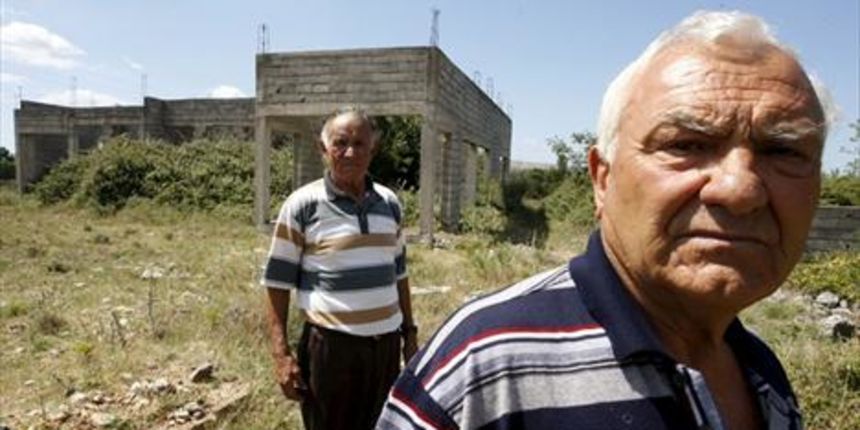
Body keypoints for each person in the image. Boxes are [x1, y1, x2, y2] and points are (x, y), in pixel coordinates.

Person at [377, 10, 833, 430]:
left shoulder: (762, 371)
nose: (740, 189)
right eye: (686, 144)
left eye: (784, 151)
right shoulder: (486, 367)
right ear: (602, 179)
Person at [262, 107, 418, 430]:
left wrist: (409, 335)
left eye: (360, 143)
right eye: (340, 143)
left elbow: (399, 275)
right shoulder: (302, 204)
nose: (350, 152)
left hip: (386, 350)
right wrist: (282, 355)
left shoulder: (389, 203)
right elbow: (277, 283)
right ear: (323, 149)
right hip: (332, 351)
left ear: (372, 150)